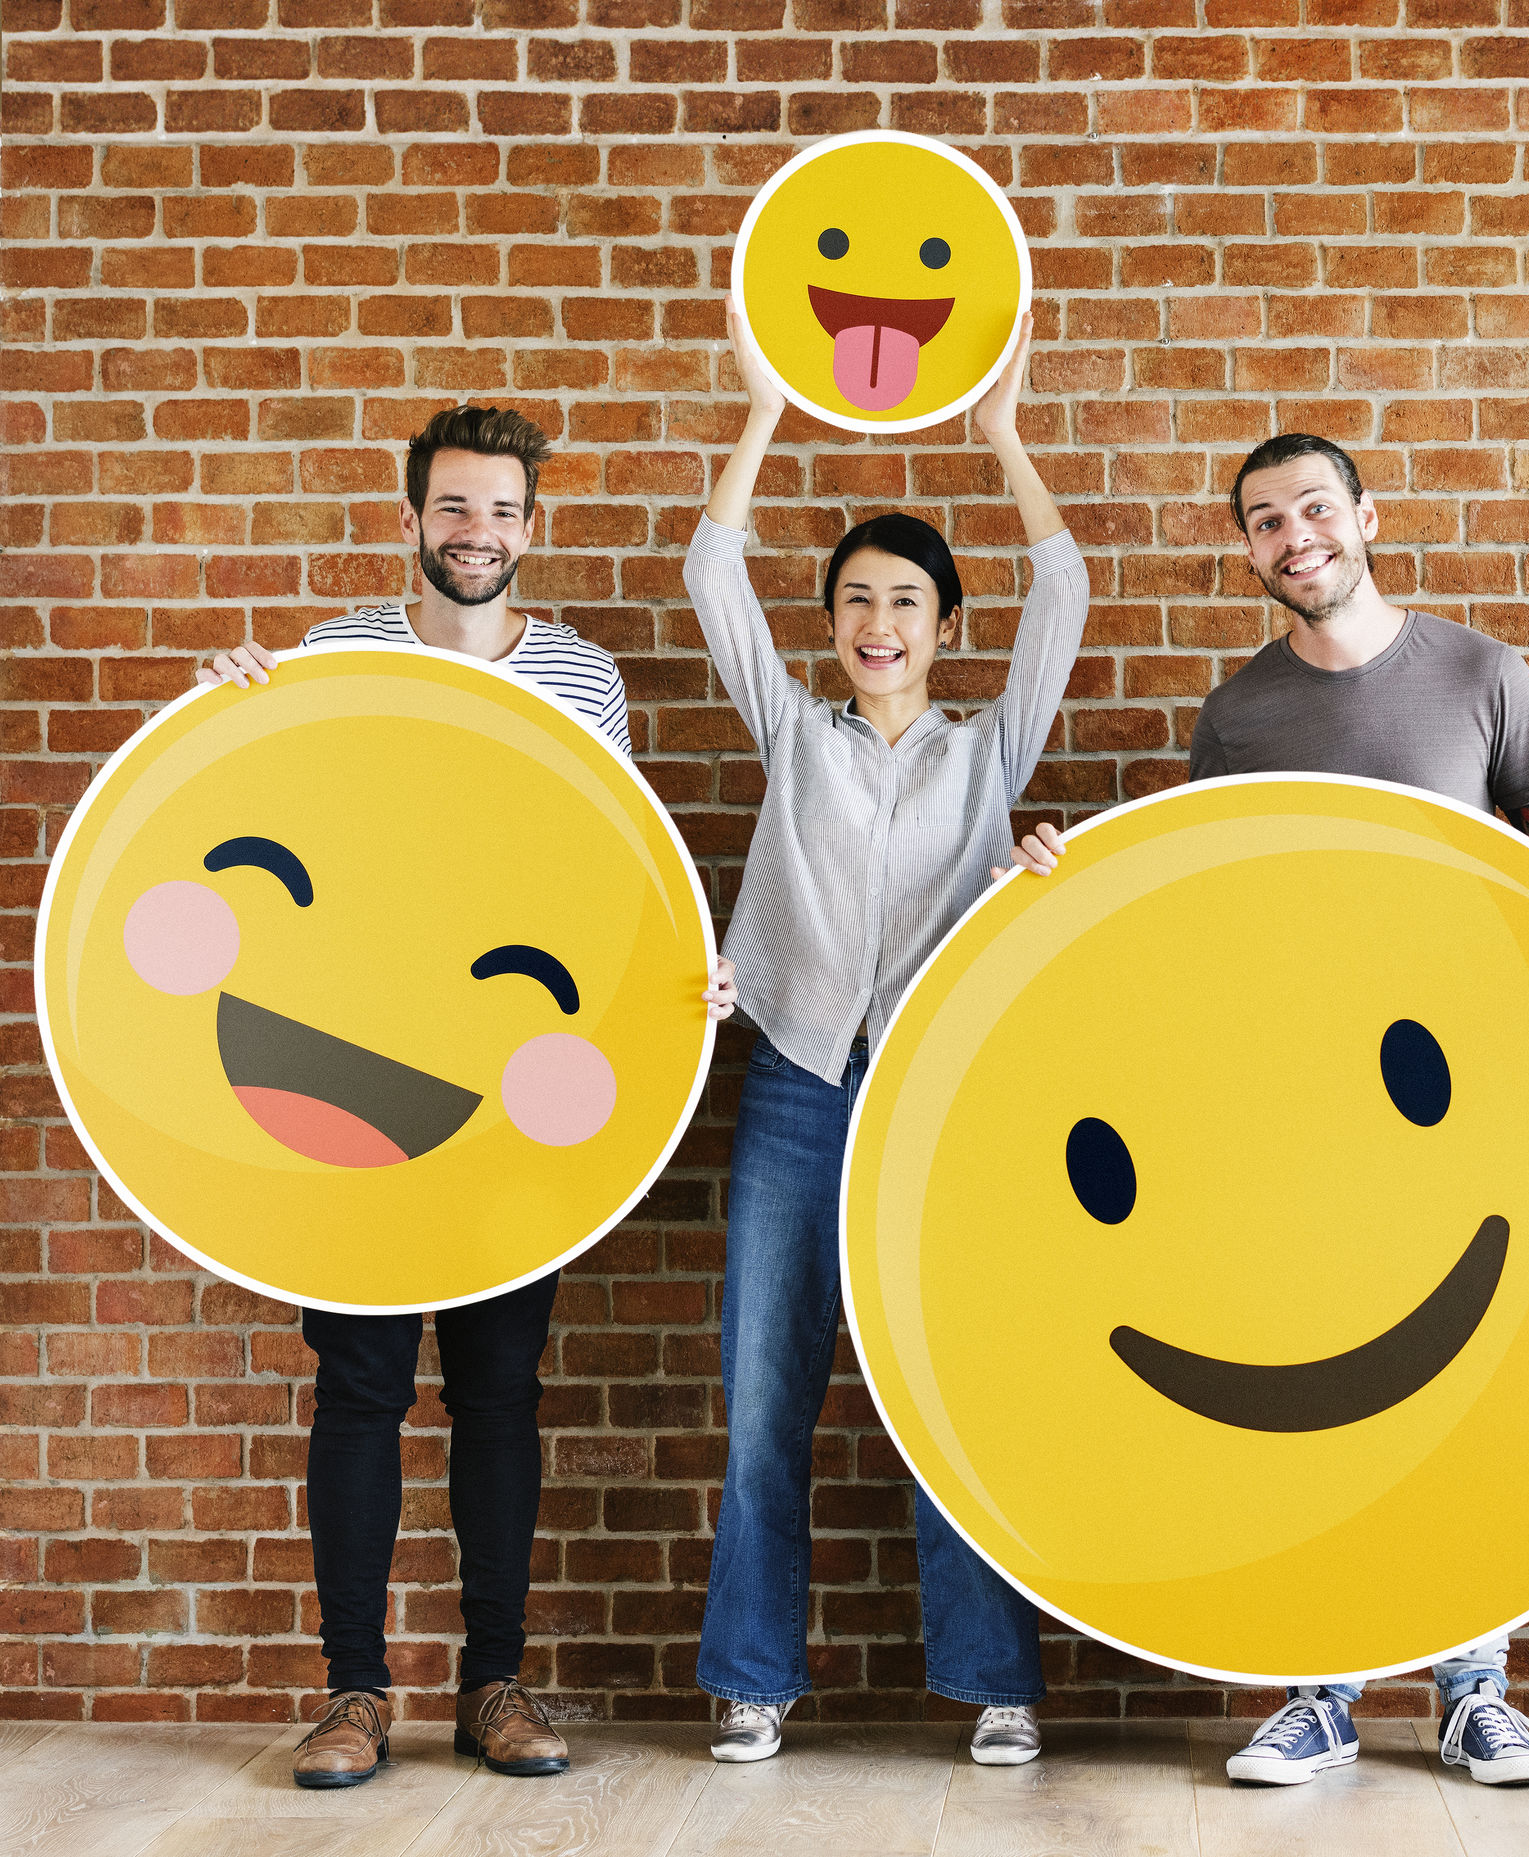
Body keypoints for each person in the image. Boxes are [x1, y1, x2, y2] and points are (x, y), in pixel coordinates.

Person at [1010, 432, 1529, 1788]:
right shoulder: (1236, 715)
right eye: (1261, 521)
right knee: (1326, 1385)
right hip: (1302, 1112)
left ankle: (1475, 1687)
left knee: (1468, 1381)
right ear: (1243, 550)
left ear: (1363, 516)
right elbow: (1200, 906)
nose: (1292, 537)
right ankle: (1321, 1686)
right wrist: (1060, 873)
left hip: (1473, 1096)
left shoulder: (1478, 672)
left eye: (1310, 509)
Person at [201, 405, 739, 1789]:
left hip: (508, 1093)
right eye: (453, 507)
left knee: (500, 1389)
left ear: (530, 529)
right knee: (362, 1385)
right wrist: (231, 721)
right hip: (353, 1078)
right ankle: (354, 1692)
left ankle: (492, 1683)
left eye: (501, 510)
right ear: (410, 519)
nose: (477, 532)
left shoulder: (584, 677)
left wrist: (682, 978)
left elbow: (597, 877)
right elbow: (278, 839)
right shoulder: (333, 658)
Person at [685, 301, 1087, 1767]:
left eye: (905, 602)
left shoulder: (992, 749)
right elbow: (710, 567)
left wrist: (1000, 438)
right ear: (832, 624)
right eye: (855, 600)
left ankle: (992, 1679)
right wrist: (764, 411)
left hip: (933, 1095)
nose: (876, 624)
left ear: (943, 626)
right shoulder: (793, 734)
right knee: (761, 1399)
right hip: (794, 1081)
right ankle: (750, 1678)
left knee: (945, 1380)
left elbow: (1064, 588)